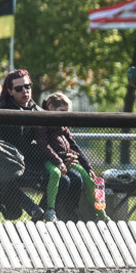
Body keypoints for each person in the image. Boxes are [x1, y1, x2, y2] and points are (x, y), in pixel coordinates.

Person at [0, 69, 49, 222]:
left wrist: (62, 156)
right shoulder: (2, 112)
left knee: (66, 179)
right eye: (19, 88)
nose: (25, 91)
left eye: (27, 86)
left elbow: (50, 139)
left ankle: (36, 223)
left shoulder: (37, 110)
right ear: (10, 91)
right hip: (7, 165)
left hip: (32, 163)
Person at [39, 93, 106, 221]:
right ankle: (51, 209)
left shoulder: (63, 126)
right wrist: (59, 161)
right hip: (51, 160)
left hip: (67, 159)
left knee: (87, 179)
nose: (65, 115)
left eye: (67, 112)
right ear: (51, 107)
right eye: (62, 111)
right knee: (59, 176)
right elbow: (43, 144)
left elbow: (74, 145)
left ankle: (101, 214)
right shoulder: (43, 123)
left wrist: (88, 167)